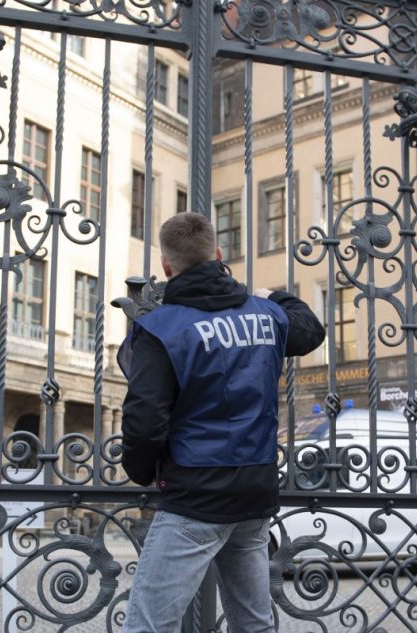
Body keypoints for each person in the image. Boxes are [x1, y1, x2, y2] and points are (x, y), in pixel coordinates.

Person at [118, 213, 326, 632]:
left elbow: (145, 417)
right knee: (254, 624)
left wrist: (140, 471)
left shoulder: (160, 328)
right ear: (217, 254)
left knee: (149, 625)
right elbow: (311, 330)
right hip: (255, 488)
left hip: (197, 494)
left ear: (166, 266)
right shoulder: (265, 315)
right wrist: (273, 295)